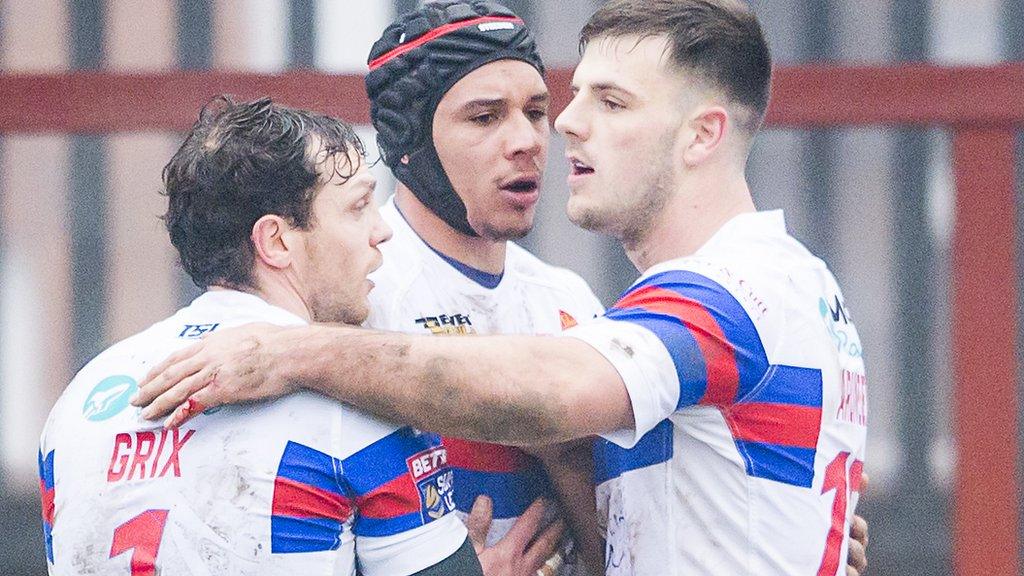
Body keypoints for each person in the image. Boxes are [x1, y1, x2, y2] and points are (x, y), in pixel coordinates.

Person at [135, 1, 870, 574]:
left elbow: (555, 392)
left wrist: (292, 355)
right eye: (488, 116)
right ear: (409, 142)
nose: (554, 132)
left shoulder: (707, 293)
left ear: (702, 135)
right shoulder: (344, 290)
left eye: (603, 104)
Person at [37, 97, 493, 576]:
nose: (382, 231)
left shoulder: (77, 403)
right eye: (359, 206)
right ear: (276, 241)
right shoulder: (361, 401)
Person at [363, 2, 605, 574]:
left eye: (537, 110)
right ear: (410, 142)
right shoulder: (356, 292)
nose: (526, 139)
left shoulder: (567, 299)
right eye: (484, 117)